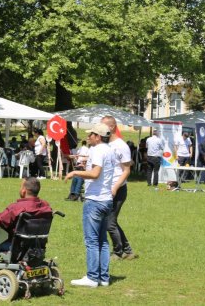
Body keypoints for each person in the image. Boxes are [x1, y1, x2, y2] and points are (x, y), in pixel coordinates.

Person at [65, 123, 115, 288]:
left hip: (95, 200)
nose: (88, 137)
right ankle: (104, 278)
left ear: (98, 136)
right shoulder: (109, 150)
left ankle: (92, 277)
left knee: (92, 241)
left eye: (91, 134)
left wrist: (75, 172)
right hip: (107, 200)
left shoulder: (98, 150)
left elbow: (95, 173)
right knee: (103, 240)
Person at [0, 177, 52, 251]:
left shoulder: (17, 207)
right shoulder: (46, 206)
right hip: (37, 247)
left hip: (16, 247)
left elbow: (0, 221)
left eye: (20, 187)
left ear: (23, 191)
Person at [101, 116, 137, 261]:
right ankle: (127, 250)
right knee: (111, 221)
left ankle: (118, 252)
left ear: (111, 127)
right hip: (108, 188)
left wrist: (115, 187)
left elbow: (126, 171)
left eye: (102, 126)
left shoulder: (121, 146)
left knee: (109, 223)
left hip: (118, 189)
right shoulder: (107, 145)